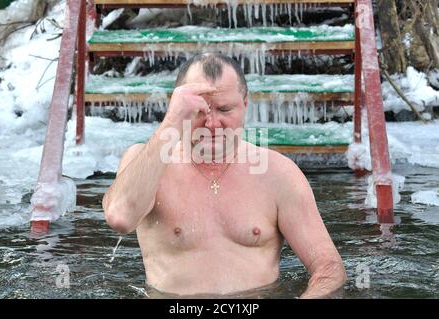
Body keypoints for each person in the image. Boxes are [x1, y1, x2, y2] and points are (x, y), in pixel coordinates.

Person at [102, 53, 347, 298]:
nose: (212, 124)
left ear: (245, 105)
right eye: (200, 111)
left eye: (225, 109)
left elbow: (329, 269)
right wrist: (171, 122)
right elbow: (120, 217)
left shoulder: (278, 173)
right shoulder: (147, 162)